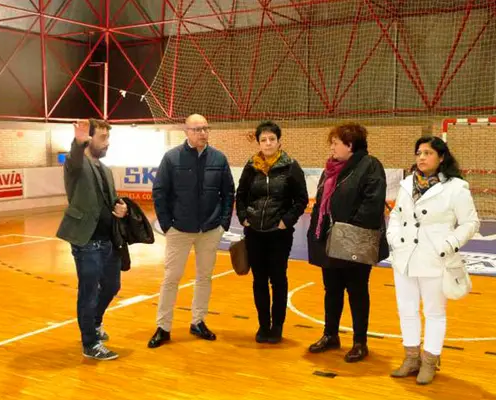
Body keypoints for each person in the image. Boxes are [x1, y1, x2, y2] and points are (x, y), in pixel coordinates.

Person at [386, 136, 479, 384]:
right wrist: (393, 237)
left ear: (441, 157)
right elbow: (396, 215)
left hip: (435, 259)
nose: (422, 157)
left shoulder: (456, 187)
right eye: (419, 153)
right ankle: (411, 358)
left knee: (434, 312)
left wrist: (448, 244)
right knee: (406, 310)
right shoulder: (407, 184)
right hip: (404, 257)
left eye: (428, 153)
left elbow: (470, 223)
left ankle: (429, 360)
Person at [148, 114, 235, 348]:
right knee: (171, 278)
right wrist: (167, 225)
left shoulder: (219, 158)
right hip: (179, 229)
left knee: (204, 277)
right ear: (186, 131)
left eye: (206, 128)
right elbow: (160, 192)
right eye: (197, 129)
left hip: (210, 230)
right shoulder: (171, 158)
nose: (203, 133)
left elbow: (228, 193)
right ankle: (163, 327)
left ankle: (198, 321)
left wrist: (223, 224)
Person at [306, 122, 387, 363]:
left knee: (357, 291)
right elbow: (321, 203)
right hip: (330, 241)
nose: (331, 147)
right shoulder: (330, 170)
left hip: (354, 242)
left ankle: (360, 342)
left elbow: (372, 204)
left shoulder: (370, 166)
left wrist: (346, 232)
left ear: (350, 145)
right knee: (331, 290)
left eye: (335, 143)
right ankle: (330, 335)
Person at [56, 118, 128, 360]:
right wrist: (77, 142)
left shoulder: (105, 169)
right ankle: (90, 343)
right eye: (103, 138)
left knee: (112, 286)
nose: (107, 143)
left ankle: (94, 323)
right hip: (86, 241)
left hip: (108, 240)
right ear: (89, 139)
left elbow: (110, 200)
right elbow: (74, 158)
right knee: (88, 292)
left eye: (108, 137)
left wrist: (120, 208)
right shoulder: (76, 165)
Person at [235, 121, 308, 343]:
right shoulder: (251, 167)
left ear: (279, 141)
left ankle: (277, 326)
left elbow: (301, 199)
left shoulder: (291, 166)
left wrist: (286, 221)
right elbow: (241, 195)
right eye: (263, 140)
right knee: (259, 280)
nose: (268, 143)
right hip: (254, 233)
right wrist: (243, 217)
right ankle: (262, 325)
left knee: (278, 279)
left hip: (279, 234)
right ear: (258, 143)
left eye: (272, 139)